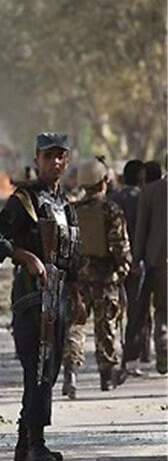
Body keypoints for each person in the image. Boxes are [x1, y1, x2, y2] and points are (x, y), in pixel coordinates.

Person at [0, 133, 81, 461]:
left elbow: (72, 257)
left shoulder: (65, 204)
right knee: (37, 369)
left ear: (66, 161)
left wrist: (78, 295)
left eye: (60, 156)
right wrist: (24, 255)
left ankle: (25, 441)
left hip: (59, 297)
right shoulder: (24, 200)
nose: (55, 162)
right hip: (31, 297)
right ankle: (35, 443)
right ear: (37, 159)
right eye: (48, 156)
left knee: (49, 371)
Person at [62, 157, 131, 398]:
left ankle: (71, 370)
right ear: (103, 181)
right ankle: (107, 376)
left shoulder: (72, 211)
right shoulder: (111, 209)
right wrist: (124, 269)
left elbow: (66, 247)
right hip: (105, 279)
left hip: (78, 279)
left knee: (75, 326)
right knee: (106, 326)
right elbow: (119, 245)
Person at [110, 160, 150, 373]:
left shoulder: (112, 197)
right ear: (141, 177)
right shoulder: (142, 198)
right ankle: (134, 358)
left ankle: (112, 356)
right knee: (137, 311)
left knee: (112, 311)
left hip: (110, 264)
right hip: (136, 262)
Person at [132, 171, 167, 375]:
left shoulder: (150, 191)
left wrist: (137, 259)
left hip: (158, 259)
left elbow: (141, 229)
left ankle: (163, 348)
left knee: (162, 308)